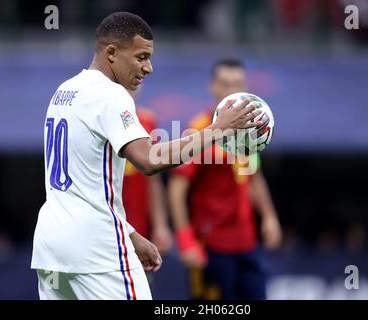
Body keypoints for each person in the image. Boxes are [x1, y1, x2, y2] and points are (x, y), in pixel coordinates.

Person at [31, 13, 260, 300]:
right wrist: (218, 129)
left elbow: (81, 185)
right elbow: (149, 160)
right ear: (111, 52)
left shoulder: (64, 91)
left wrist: (130, 234)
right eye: (141, 57)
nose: (148, 68)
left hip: (52, 250)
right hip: (97, 252)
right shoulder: (111, 95)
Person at [168, 58, 283, 300]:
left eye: (238, 84)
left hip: (248, 244)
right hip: (212, 247)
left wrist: (269, 216)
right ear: (213, 88)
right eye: (226, 84)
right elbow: (176, 189)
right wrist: (186, 240)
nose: (232, 91)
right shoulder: (199, 131)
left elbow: (253, 175)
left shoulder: (249, 131)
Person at [122, 90, 173, 256]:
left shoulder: (147, 121)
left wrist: (160, 224)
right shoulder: (95, 120)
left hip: (140, 230)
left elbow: (153, 181)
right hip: (105, 232)